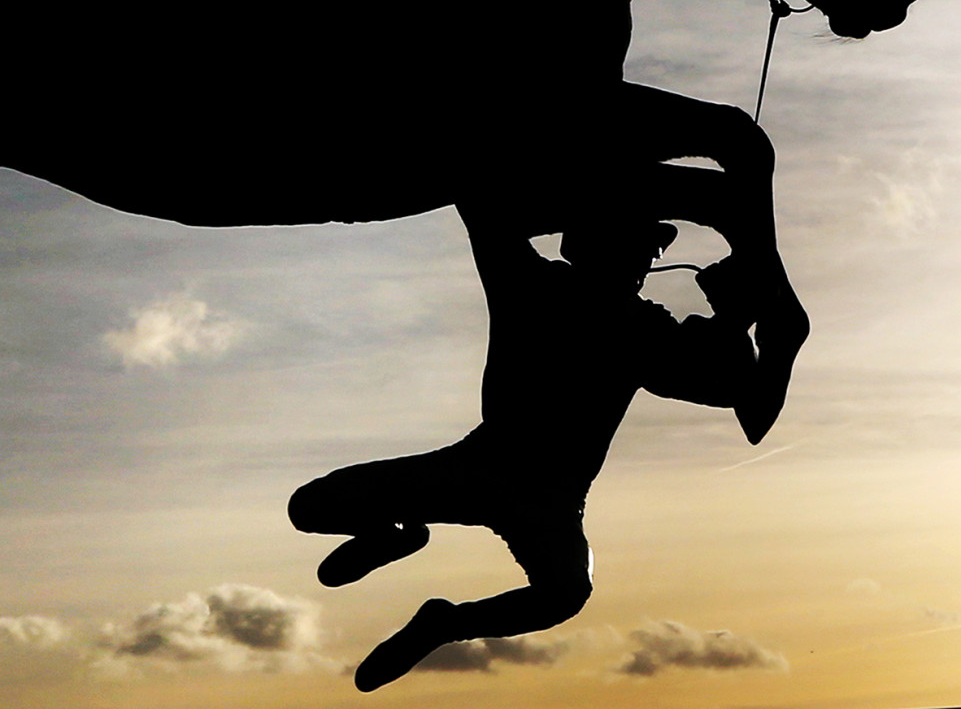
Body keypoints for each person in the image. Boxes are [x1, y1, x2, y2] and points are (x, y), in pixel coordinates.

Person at [288, 202, 759, 691]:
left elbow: (733, 396)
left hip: (532, 491)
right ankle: (399, 540)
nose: (650, 261)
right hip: (490, 469)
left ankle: (443, 621)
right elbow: (735, 393)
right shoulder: (586, 306)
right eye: (643, 248)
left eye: (651, 252)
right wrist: (733, 318)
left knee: (565, 593)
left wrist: (731, 319)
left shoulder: (601, 310)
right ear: (598, 248)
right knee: (310, 508)